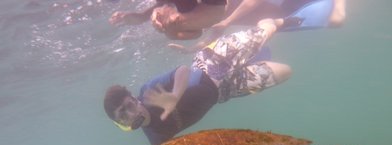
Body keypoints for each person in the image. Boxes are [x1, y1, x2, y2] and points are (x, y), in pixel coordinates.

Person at [103, 18, 292, 145]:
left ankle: (273, 22)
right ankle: (252, 60)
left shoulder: (150, 93)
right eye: (123, 114)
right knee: (285, 71)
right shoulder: (157, 139)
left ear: (135, 100)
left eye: (129, 105)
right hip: (225, 91)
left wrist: (175, 96)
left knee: (269, 29)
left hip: (213, 61)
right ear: (121, 124)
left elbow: (183, 71)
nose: (131, 113)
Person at [109, 0, 346, 41]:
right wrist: (133, 17)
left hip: (259, 10)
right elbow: (194, 34)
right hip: (264, 15)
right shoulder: (178, 19)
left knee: (335, 18)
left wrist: (226, 22)